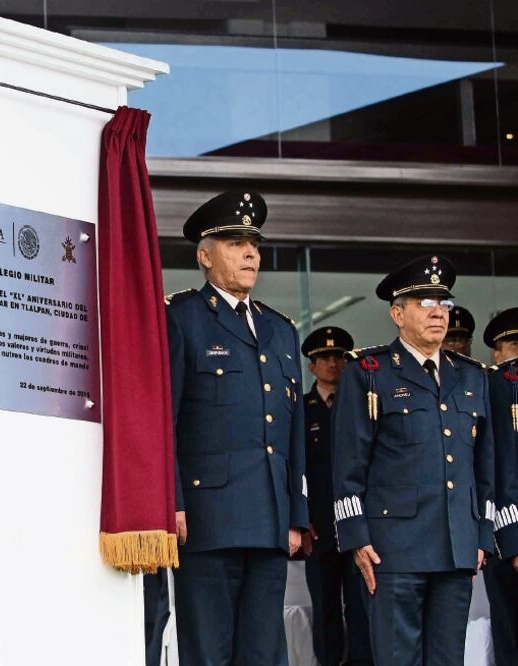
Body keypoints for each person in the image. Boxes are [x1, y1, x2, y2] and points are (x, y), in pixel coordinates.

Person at [165, 191, 307, 665]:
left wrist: (296, 515)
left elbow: (293, 433)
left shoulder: (281, 330)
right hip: (207, 518)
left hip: (270, 519)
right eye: (235, 244)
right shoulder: (181, 318)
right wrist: (172, 502)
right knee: (209, 652)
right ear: (205, 257)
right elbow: (167, 420)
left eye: (254, 244)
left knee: (265, 654)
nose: (250, 254)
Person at [331, 255, 494, 666]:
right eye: (425, 303)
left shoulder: (471, 376)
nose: (438, 312)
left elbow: (484, 465)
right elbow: (348, 464)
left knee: (448, 659)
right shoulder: (370, 372)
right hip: (393, 549)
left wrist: (481, 534)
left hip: (456, 547)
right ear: (397, 314)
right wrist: (356, 538)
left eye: (444, 303)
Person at [300, 326, 372, 666]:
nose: (333, 363)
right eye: (324, 357)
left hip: (357, 523)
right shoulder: (301, 411)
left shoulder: (364, 407)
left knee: (361, 605)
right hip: (320, 526)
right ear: (312, 366)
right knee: (325, 604)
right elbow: (295, 468)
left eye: (339, 357)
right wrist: (301, 517)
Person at [483, 307, 518, 666]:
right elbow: (497, 466)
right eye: (514, 345)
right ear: (496, 353)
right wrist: (513, 539)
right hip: (506, 532)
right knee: (509, 637)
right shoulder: (492, 388)